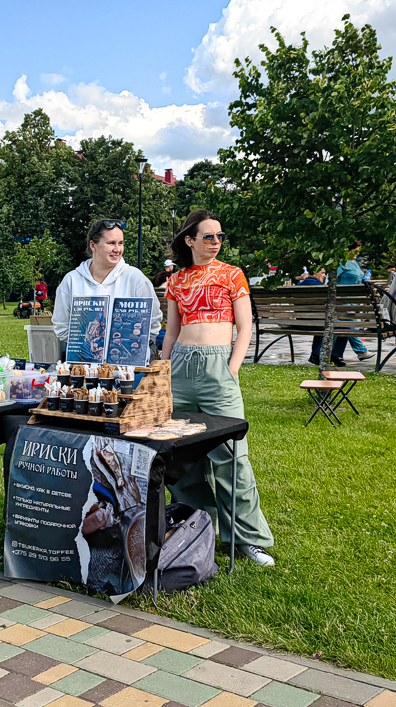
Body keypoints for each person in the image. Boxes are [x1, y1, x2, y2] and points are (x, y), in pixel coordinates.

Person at [160, 210, 275, 567]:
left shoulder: (232, 275)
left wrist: (231, 370)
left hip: (218, 369)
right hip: (180, 368)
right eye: (208, 236)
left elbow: (245, 327)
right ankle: (199, 528)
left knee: (232, 457)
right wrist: (163, 371)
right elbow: (172, 330)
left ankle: (249, 539)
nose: (215, 242)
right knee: (180, 455)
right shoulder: (177, 281)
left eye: (220, 236)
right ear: (189, 241)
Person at [52, 219, 163, 366]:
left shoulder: (135, 278)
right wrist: (85, 346)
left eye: (121, 243)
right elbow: (61, 326)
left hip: (128, 372)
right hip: (85, 370)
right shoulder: (72, 280)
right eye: (111, 243)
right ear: (93, 245)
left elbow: (153, 322)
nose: (117, 249)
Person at [297, 268, 348, 366]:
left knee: (322, 323)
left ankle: (315, 355)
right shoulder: (321, 287)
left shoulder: (299, 285)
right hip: (315, 323)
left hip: (300, 323)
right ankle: (335, 355)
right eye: (323, 273)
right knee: (344, 327)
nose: (325, 276)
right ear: (314, 272)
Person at [336, 243, 373, 362]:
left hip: (353, 300)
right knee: (351, 324)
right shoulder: (341, 263)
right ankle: (361, 351)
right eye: (357, 250)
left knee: (347, 326)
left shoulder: (355, 263)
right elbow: (332, 280)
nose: (359, 253)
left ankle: (335, 355)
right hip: (342, 300)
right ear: (349, 250)